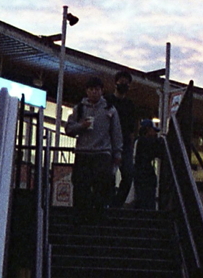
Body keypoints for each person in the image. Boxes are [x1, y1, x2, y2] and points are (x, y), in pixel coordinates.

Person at [65, 75, 122, 223]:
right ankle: (81, 216)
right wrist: (80, 126)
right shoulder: (80, 108)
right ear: (87, 91)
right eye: (91, 89)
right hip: (83, 152)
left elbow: (116, 133)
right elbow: (68, 129)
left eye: (97, 89)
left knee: (101, 186)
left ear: (102, 91)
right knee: (81, 186)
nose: (94, 92)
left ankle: (98, 216)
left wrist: (117, 153)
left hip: (102, 153)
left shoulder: (109, 109)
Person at [107, 69, 139, 207]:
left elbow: (132, 128)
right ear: (116, 83)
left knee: (128, 174)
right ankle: (110, 202)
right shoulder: (107, 101)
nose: (124, 86)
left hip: (125, 144)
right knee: (109, 175)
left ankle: (116, 203)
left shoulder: (130, 105)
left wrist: (130, 145)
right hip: (108, 143)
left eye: (126, 83)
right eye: (122, 83)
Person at [133, 119, 165, 210]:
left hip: (139, 173)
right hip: (144, 174)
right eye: (152, 130)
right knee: (147, 199)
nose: (155, 133)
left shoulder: (138, 141)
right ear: (147, 130)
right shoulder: (145, 142)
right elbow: (158, 150)